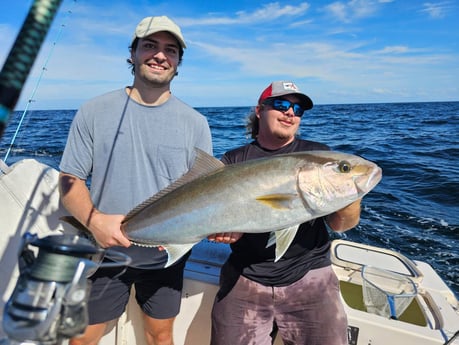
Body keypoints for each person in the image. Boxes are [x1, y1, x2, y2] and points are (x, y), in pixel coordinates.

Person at [58, 16, 212, 345]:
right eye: (150, 46)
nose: (160, 55)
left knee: (160, 336)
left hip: (166, 254)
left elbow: (204, 195)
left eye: (170, 50)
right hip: (106, 250)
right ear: (133, 52)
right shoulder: (94, 111)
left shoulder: (196, 124)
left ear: (178, 62)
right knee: (82, 338)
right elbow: (70, 179)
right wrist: (93, 220)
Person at [208, 81, 361, 345]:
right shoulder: (233, 160)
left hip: (310, 274)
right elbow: (208, 214)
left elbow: (340, 224)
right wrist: (221, 230)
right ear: (259, 110)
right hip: (246, 276)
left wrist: (351, 194)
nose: (290, 112)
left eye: (298, 108)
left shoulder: (319, 157)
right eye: (281, 104)